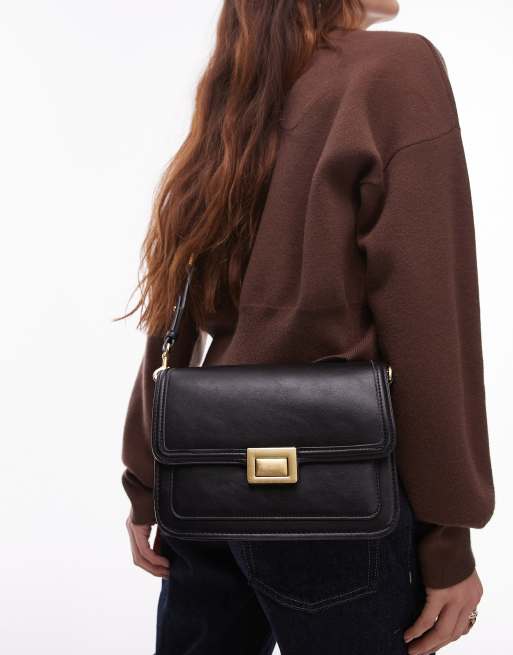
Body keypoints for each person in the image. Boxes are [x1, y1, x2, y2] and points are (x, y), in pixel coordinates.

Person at [120, 1, 495, 653]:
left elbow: (175, 306)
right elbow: (431, 317)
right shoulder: (393, 69)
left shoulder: (244, 84)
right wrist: (447, 536)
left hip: (203, 482)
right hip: (334, 494)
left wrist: (147, 481)